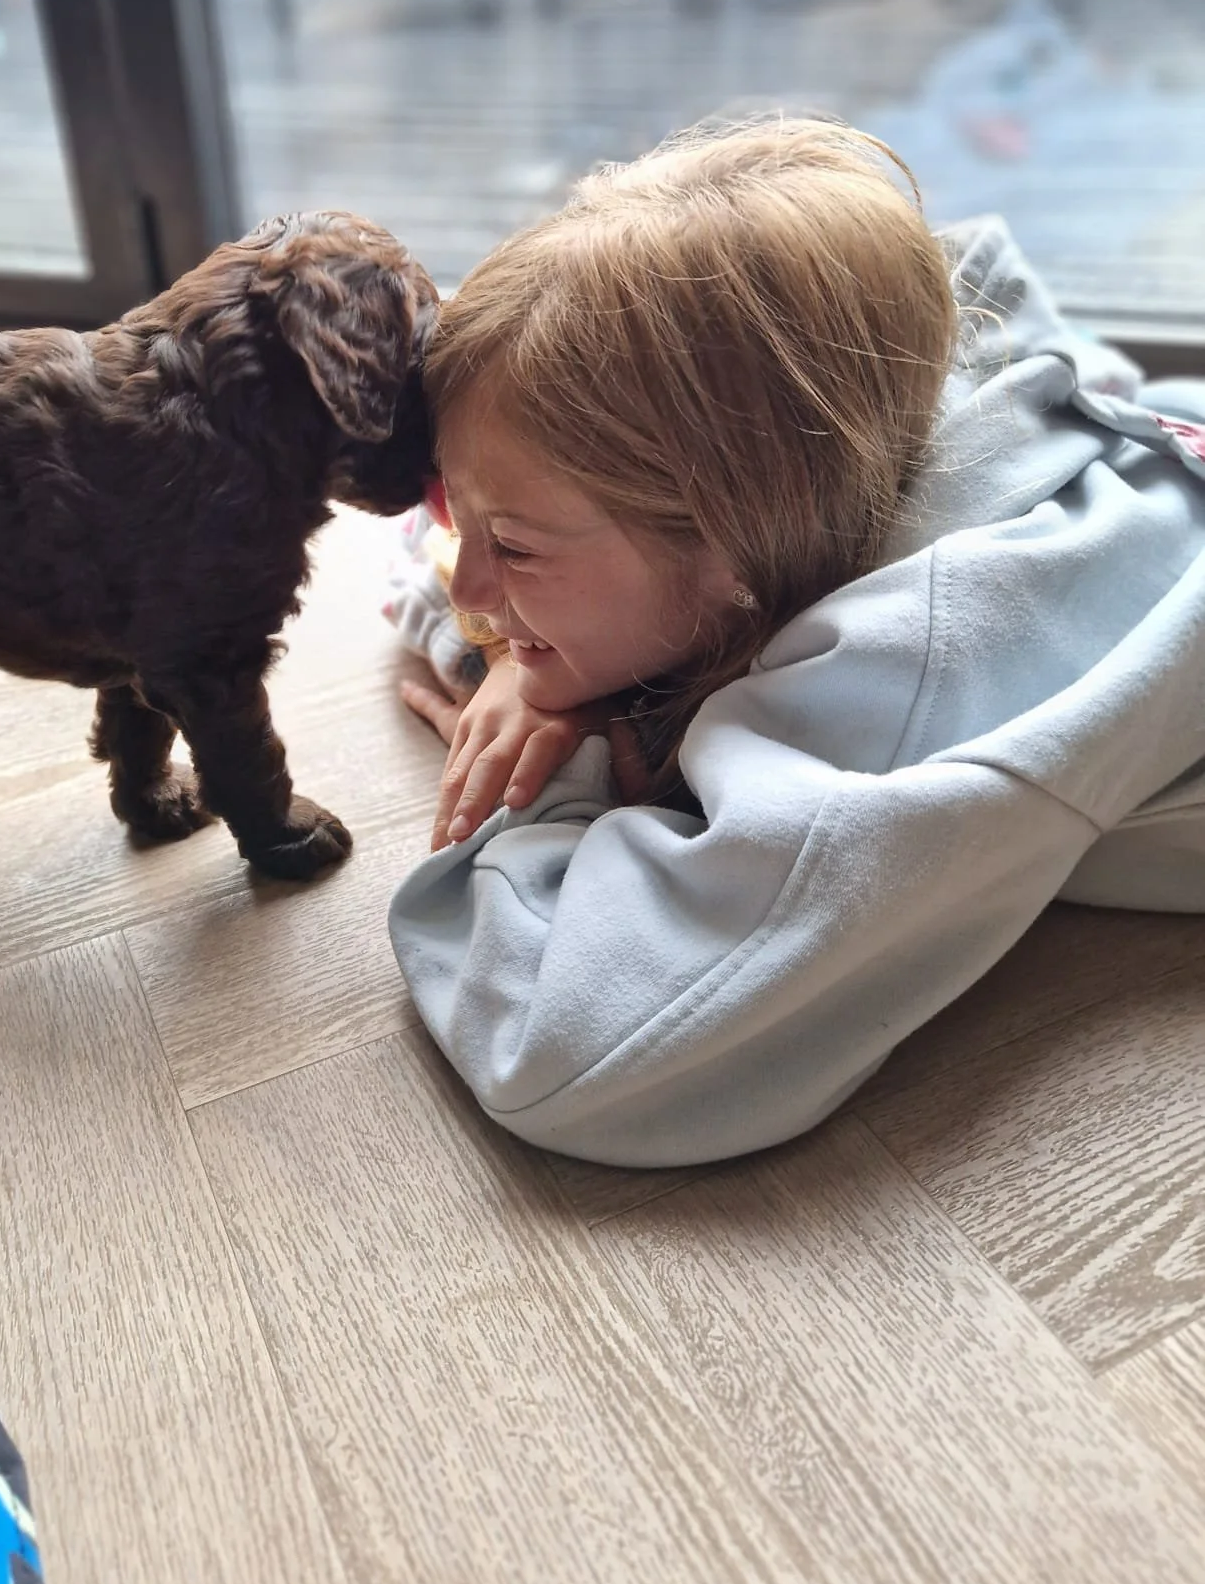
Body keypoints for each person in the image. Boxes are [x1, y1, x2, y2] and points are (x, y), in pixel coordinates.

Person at [383, 115, 1205, 1169]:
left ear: (733, 549)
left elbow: (574, 1052)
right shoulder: (854, 389)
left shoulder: (932, 661)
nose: (470, 584)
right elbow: (430, 561)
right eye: (458, 515)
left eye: (515, 549)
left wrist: (555, 780)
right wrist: (508, 656)